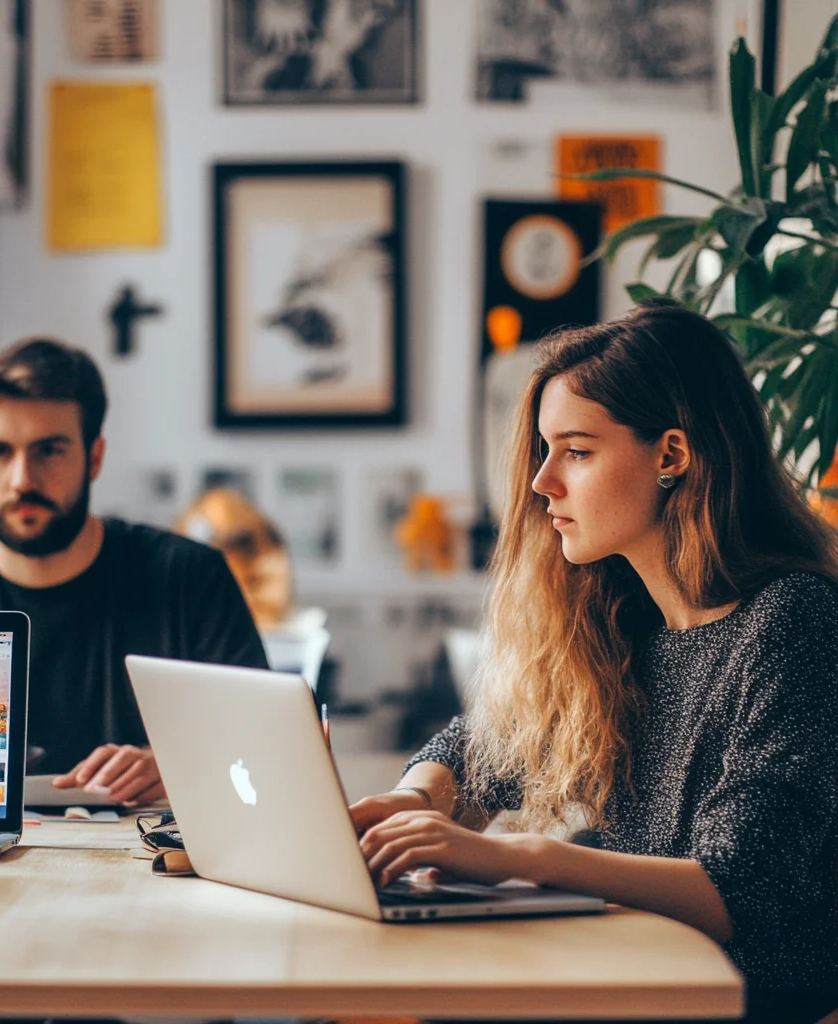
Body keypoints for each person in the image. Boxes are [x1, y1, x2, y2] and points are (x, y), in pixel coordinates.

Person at [353, 303, 838, 1024]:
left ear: (672, 455)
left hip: (730, 1004)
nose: (543, 481)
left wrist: (522, 858)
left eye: (576, 451)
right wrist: (419, 799)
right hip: (626, 977)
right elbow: (484, 749)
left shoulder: (792, 620)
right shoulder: (624, 619)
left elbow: (739, 891)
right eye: (545, 452)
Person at [0, 338, 268, 806]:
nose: (21, 480)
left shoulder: (190, 579)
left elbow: (262, 747)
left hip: (142, 862)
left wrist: (179, 762)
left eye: (48, 451)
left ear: (94, 457)